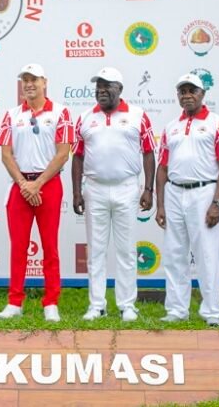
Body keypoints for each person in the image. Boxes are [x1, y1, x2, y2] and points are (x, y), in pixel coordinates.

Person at [72, 67, 156, 322]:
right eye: (98, 86)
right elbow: (77, 157)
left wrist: (149, 189)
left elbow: (149, 152)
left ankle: (127, 305)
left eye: (107, 85)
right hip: (94, 189)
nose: (101, 90)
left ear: (120, 88)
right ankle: (96, 305)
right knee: (95, 250)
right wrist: (77, 192)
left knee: (126, 249)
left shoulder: (138, 115)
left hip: (127, 187)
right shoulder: (86, 117)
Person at [0, 63, 73, 321]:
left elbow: (63, 153)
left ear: (45, 82)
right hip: (20, 186)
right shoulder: (11, 114)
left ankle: (51, 302)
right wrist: (23, 184)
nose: (29, 84)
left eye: (34, 80)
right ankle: (14, 302)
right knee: (18, 246)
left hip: (48, 185)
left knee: (49, 246)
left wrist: (37, 184)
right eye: (25, 80)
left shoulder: (61, 112)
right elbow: (6, 155)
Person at [155, 73, 219, 326]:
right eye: (182, 91)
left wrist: (216, 202)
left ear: (202, 94)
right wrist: (161, 204)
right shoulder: (171, 127)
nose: (187, 95)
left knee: (207, 254)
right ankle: (177, 309)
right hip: (175, 192)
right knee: (174, 253)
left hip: (204, 192)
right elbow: (163, 168)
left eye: (192, 91)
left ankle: (211, 313)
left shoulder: (217, 123)